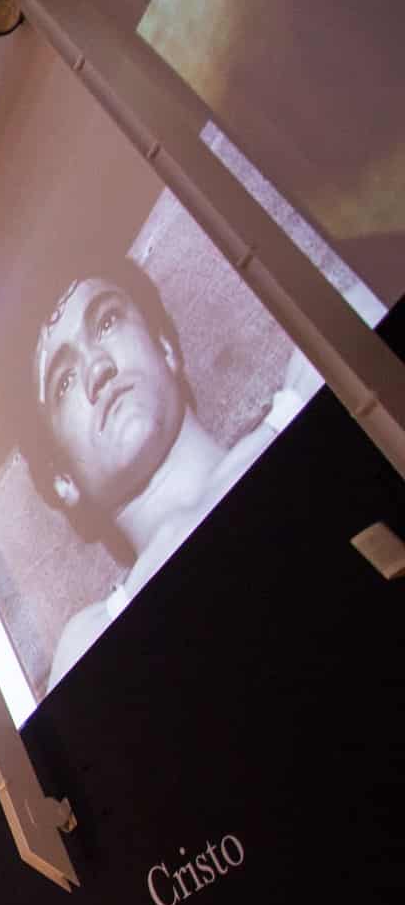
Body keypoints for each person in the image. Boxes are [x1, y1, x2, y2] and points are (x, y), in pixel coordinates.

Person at [28, 254, 311, 686]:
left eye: (106, 322)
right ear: (62, 479)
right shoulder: (90, 644)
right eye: (64, 381)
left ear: (164, 347)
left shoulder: (313, 380)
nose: (98, 369)